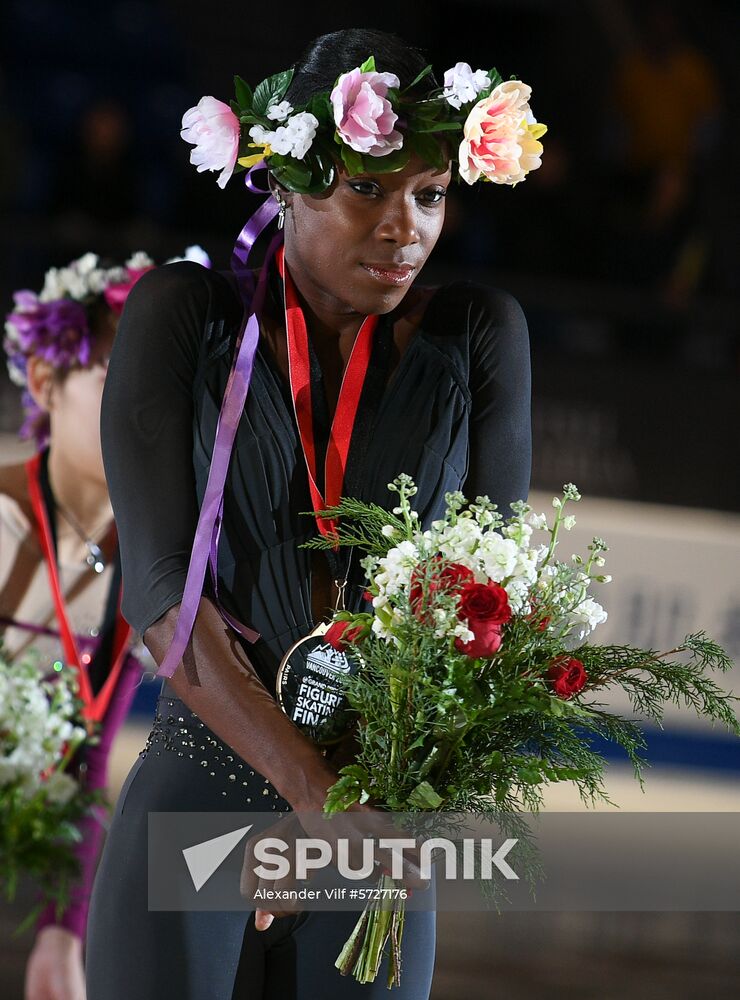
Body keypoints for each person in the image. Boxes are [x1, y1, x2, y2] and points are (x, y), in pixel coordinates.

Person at [86, 28, 541, 999]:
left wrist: (345, 803)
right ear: (284, 187)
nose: (402, 226)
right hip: (204, 792)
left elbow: (488, 615)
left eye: (428, 194)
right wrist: (310, 792)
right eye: (366, 190)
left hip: (372, 814)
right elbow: (163, 597)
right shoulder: (185, 315)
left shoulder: (476, 335)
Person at [0, 247, 207, 1000]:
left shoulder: (141, 552)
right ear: (46, 382)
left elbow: (89, 762)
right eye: (115, 379)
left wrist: (63, 929)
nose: (143, 412)